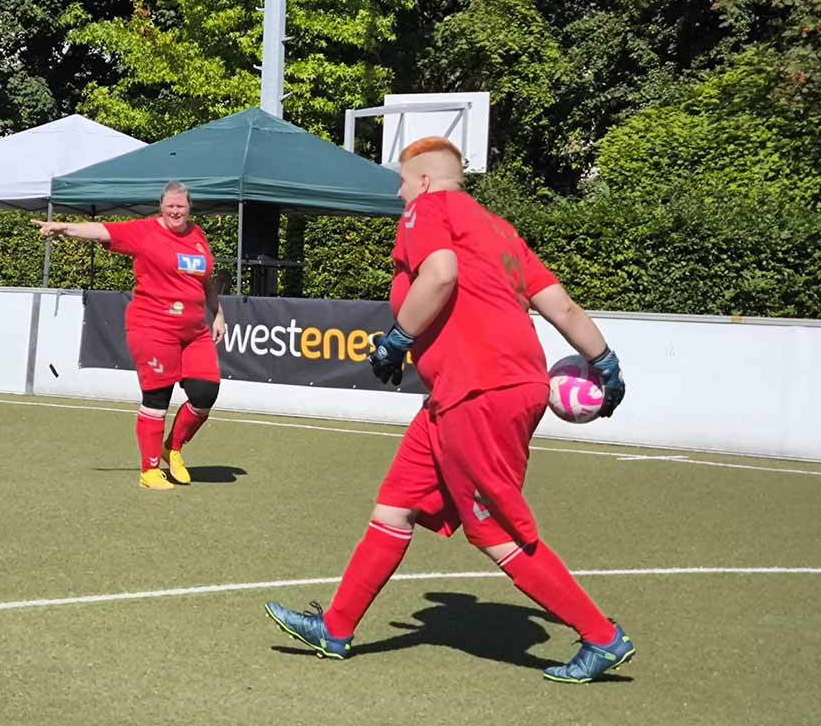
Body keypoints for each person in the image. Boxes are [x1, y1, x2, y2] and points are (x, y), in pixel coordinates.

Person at [265, 137, 632, 684]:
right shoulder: (500, 231)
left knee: (495, 531)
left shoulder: (427, 210)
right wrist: (603, 360)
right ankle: (336, 629)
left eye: (402, 181)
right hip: (461, 394)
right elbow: (560, 304)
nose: (398, 191)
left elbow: (439, 274)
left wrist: (396, 339)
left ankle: (602, 638)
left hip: (480, 391)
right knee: (394, 506)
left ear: (425, 182)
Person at [33, 181, 227, 491]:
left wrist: (218, 314)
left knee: (205, 395)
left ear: (189, 208)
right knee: (157, 397)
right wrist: (63, 227)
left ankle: (172, 449)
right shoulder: (144, 231)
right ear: (161, 206)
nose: (176, 211)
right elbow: (102, 231)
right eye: (170, 206)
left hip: (195, 333)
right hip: (153, 327)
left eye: (182, 206)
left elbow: (205, 283)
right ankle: (149, 471)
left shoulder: (198, 234)